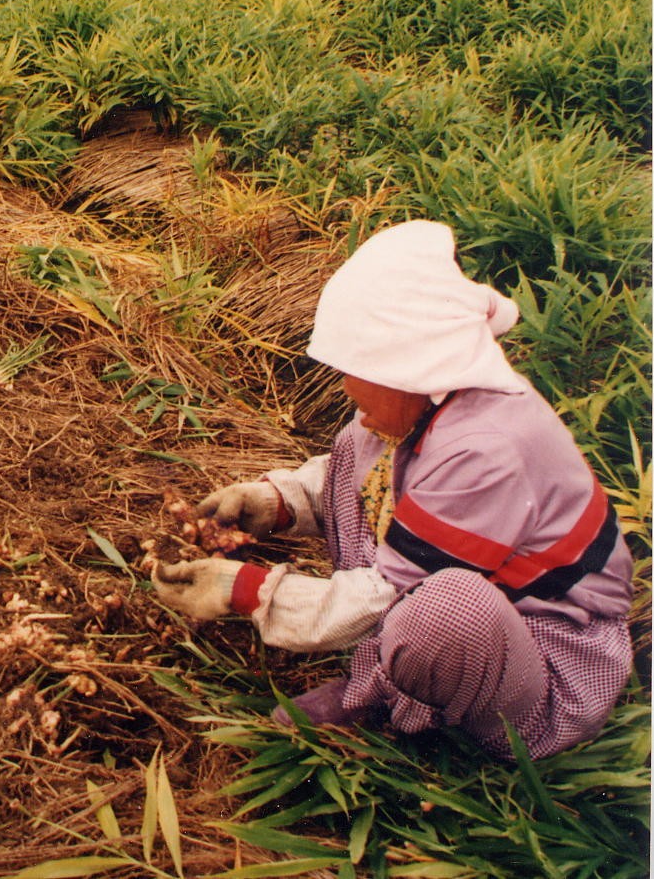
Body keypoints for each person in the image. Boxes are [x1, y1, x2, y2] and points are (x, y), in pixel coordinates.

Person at [150, 220, 633, 760]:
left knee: (447, 610)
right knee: (357, 442)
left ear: (407, 367)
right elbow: (361, 478)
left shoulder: (486, 451)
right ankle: (389, 682)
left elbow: (390, 596)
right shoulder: (428, 406)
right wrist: (277, 501)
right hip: (476, 615)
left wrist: (248, 592)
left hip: (542, 659)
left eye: (355, 369)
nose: (347, 386)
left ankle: (392, 704)